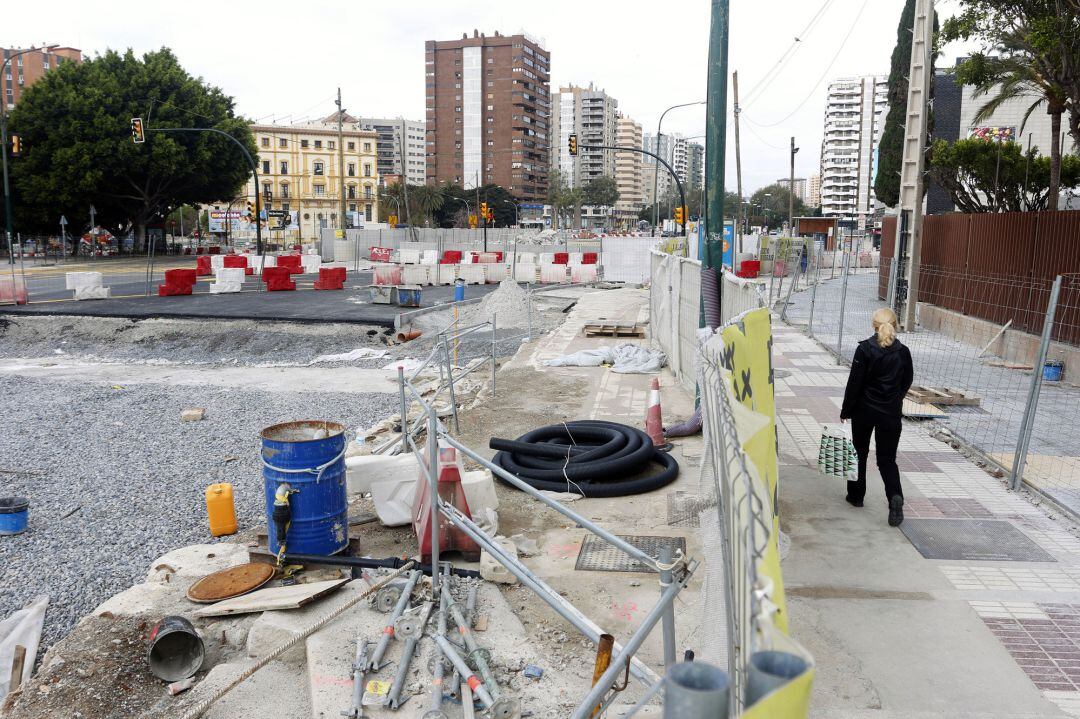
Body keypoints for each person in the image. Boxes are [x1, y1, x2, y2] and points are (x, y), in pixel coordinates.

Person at [840, 307, 914, 526]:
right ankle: (894, 497)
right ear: (895, 325)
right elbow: (907, 380)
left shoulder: (864, 350)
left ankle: (856, 496)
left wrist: (846, 411)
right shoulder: (903, 352)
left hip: (864, 411)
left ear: (873, 325)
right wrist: (895, 399)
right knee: (887, 460)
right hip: (890, 414)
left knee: (859, 453)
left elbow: (855, 383)